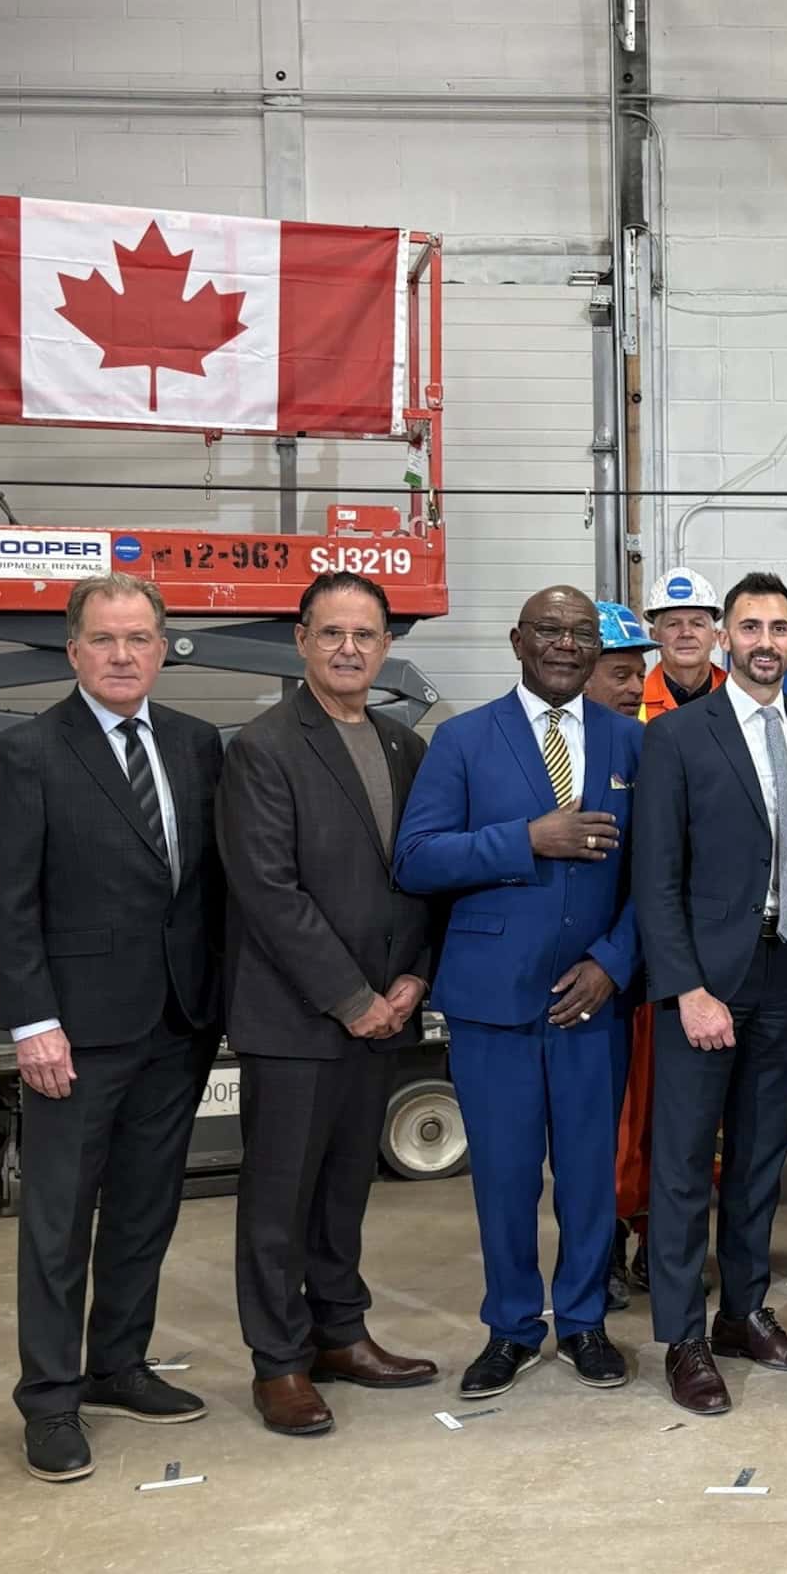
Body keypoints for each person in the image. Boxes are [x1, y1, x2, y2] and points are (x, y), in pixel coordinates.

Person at [0, 573, 227, 1483]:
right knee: (57, 1219)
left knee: (145, 1207)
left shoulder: (199, 746)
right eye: (105, 640)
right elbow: (5, 903)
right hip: (73, 1033)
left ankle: (119, 1364)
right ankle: (49, 1398)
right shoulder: (29, 752)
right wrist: (33, 1022)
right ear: (73, 650)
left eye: (140, 638)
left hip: (177, 1019)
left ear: (164, 648)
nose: (124, 655)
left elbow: (205, 888)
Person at [395, 587, 645, 1397]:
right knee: (503, 1175)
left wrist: (614, 961)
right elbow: (418, 858)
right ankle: (509, 1327)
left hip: (591, 1001)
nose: (566, 644)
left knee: (586, 1176)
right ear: (517, 640)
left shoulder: (629, 742)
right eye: (549, 630)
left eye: (581, 633)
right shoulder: (462, 740)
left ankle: (581, 1323)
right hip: (491, 1001)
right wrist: (525, 839)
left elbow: (656, 873)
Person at [218, 572, 441, 1438]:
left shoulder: (403, 747)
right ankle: (279, 1361)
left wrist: (414, 978)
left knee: (345, 1185)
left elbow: (422, 874)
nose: (350, 648)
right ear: (302, 640)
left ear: (386, 647)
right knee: (280, 1196)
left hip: (385, 1011)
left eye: (367, 634)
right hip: (298, 1018)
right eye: (333, 632)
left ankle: (339, 1332)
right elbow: (269, 892)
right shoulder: (265, 747)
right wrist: (353, 998)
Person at [632, 571, 787, 1415]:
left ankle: (743, 1312)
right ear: (723, 638)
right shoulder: (679, 737)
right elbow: (657, 878)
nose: (764, 640)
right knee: (683, 1165)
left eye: (779, 627)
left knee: (757, 1158)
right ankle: (683, 1335)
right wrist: (686, 988)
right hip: (707, 983)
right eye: (748, 625)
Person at [582, 598, 653, 1312]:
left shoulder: (650, 746)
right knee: (598, 1129)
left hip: (647, 969)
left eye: (638, 672)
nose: (634, 686)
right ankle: (596, 1252)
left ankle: (648, 1245)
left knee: (656, 1122)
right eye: (619, 671)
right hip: (586, 980)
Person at [639, 565, 726, 720]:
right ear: (654, 636)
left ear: (714, 637)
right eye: (673, 624)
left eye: (697, 624)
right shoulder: (635, 701)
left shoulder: (737, 696)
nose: (686, 633)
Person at [586, 599, 653, 721]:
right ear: (583, 679)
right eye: (621, 676)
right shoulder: (556, 736)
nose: (638, 689)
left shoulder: (650, 735)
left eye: (641, 675)